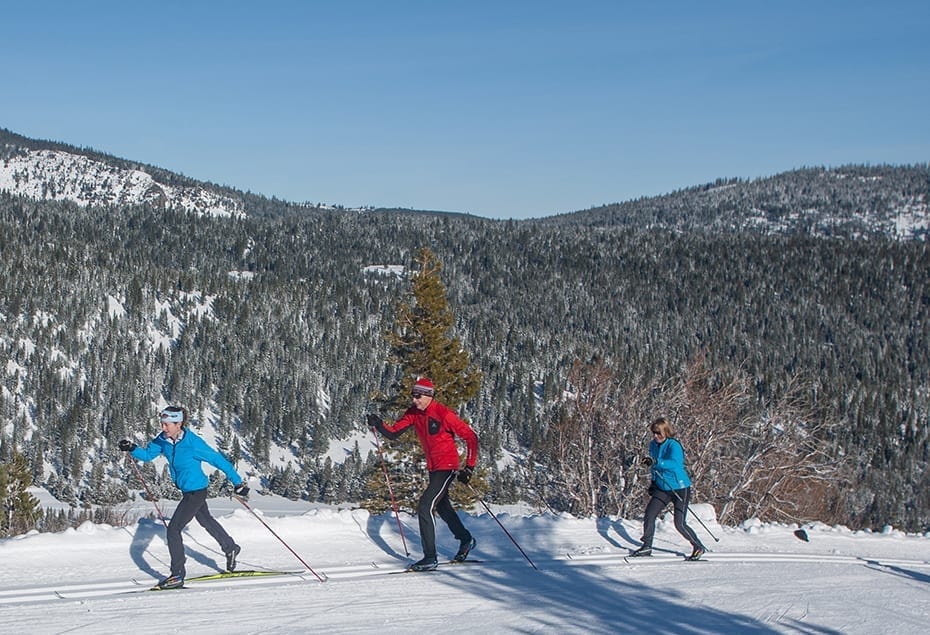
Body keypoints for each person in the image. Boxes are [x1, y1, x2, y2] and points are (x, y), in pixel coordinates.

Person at [119, 405, 250, 589]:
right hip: (187, 491)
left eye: (167, 424)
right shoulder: (163, 440)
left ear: (179, 423)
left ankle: (177, 574)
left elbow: (218, 460)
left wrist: (238, 483)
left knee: (173, 529)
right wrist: (132, 448)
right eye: (162, 424)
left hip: (197, 491)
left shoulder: (193, 443)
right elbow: (148, 455)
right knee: (206, 521)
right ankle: (231, 547)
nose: (163, 428)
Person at [368, 377, 479, 571]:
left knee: (425, 505)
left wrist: (469, 467)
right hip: (433, 467)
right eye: (413, 396)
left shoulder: (443, 413)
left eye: (418, 396)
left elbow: (471, 437)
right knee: (443, 508)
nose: (414, 400)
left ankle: (430, 557)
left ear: (428, 396)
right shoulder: (413, 413)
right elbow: (394, 432)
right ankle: (466, 539)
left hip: (447, 466)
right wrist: (378, 424)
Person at [630, 416, 707, 561]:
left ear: (666, 432)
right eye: (654, 433)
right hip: (662, 486)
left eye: (659, 433)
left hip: (679, 487)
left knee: (679, 523)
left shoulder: (674, 445)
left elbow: (674, 464)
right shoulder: (653, 445)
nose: (655, 436)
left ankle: (698, 546)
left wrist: (657, 461)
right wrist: (653, 482)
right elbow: (654, 467)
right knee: (649, 514)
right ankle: (647, 546)